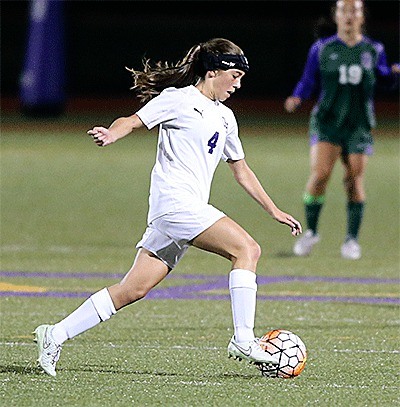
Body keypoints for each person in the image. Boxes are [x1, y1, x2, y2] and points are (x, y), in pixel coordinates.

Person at [33, 38, 302, 377]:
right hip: (176, 205)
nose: (238, 84)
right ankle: (243, 339)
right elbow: (131, 120)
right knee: (247, 249)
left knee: (133, 289)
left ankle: (54, 334)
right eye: (234, 75)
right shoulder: (177, 100)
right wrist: (113, 134)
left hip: (178, 213)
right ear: (213, 71)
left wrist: (273, 210)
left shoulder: (226, 118)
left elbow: (241, 170)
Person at [284, 0, 399, 260]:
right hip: (327, 122)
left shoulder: (373, 49)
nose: (349, 15)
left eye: (354, 10)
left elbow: (384, 79)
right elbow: (308, 79)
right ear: (336, 16)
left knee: (354, 180)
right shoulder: (322, 48)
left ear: (361, 17)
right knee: (321, 175)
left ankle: (351, 240)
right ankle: (311, 231)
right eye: (344, 10)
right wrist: (297, 96)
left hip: (359, 125)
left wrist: (393, 74)